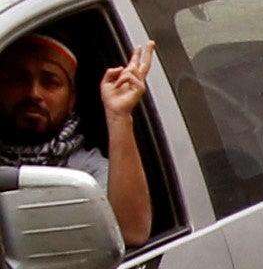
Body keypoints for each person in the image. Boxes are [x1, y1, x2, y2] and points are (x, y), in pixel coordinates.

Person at [1, 32, 153, 248]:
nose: (33, 93)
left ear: (71, 100)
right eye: (19, 79)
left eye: (50, 82)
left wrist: (119, 116)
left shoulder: (86, 173)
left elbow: (132, 232)